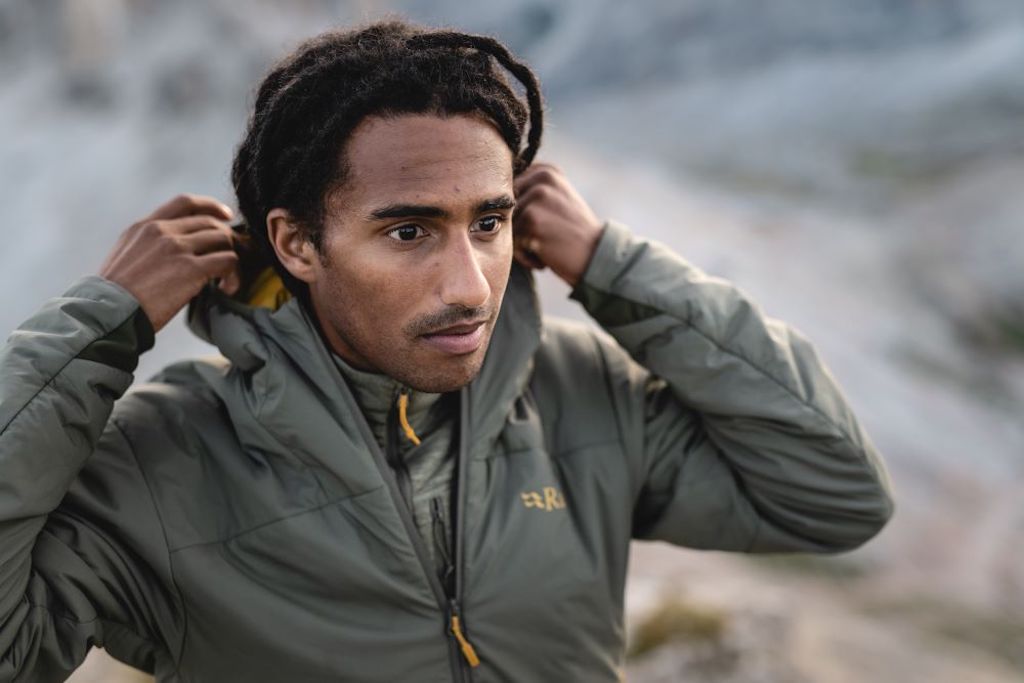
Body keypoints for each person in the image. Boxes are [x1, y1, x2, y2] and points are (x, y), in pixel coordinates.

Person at [0, 20, 894, 683]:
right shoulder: (166, 458)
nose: (469, 283)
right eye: (410, 231)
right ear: (299, 243)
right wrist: (100, 324)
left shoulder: (579, 392)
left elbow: (834, 493)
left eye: (490, 222)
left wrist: (615, 267)